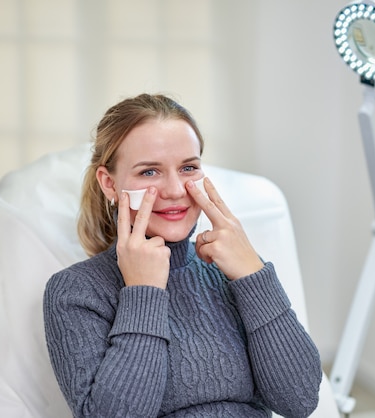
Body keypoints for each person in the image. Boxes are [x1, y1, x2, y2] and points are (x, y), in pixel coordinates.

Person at [43, 93, 322, 418]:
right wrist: (142, 294)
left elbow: (300, 401)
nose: (175, 190)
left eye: (188, 167)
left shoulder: (231, 270)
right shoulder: (75, 291)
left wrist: (253, 275)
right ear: (109, 183)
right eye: (149, 172)